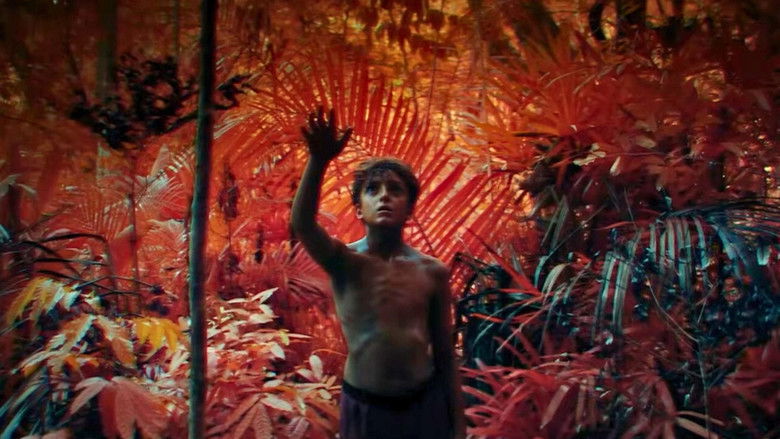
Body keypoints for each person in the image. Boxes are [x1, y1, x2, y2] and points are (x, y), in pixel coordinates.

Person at [291, 107, 466, 439]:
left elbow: (444, 351)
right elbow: (302, 224)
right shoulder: (343, 261)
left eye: (395, 189)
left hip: (423, 403)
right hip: (365, 406)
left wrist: (458, 425)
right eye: (373, 189)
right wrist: (318, 160)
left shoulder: (432, 271)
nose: (384, 195)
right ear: (359, 208)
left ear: (410, 209)